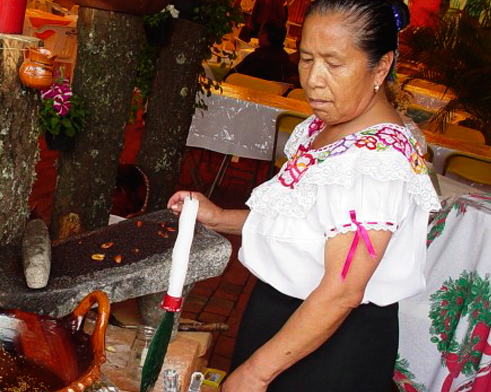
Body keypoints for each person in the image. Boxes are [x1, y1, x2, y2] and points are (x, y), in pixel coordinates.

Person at [169, 0, 439, 390]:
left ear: (380, 66)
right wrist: (219, 217)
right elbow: (303, 225)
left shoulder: (374, 163)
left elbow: (342, 290)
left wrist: (255, 373)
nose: (313, 79)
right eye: (307, 59)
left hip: (330, 345)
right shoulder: (327, 127)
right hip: (290, 324)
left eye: (333, 63)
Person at [226, 20, 298, 86]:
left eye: (260, 31)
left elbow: (230, 76)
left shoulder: (256, 57)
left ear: (265, 35)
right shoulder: (286, 60)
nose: (258, 35)